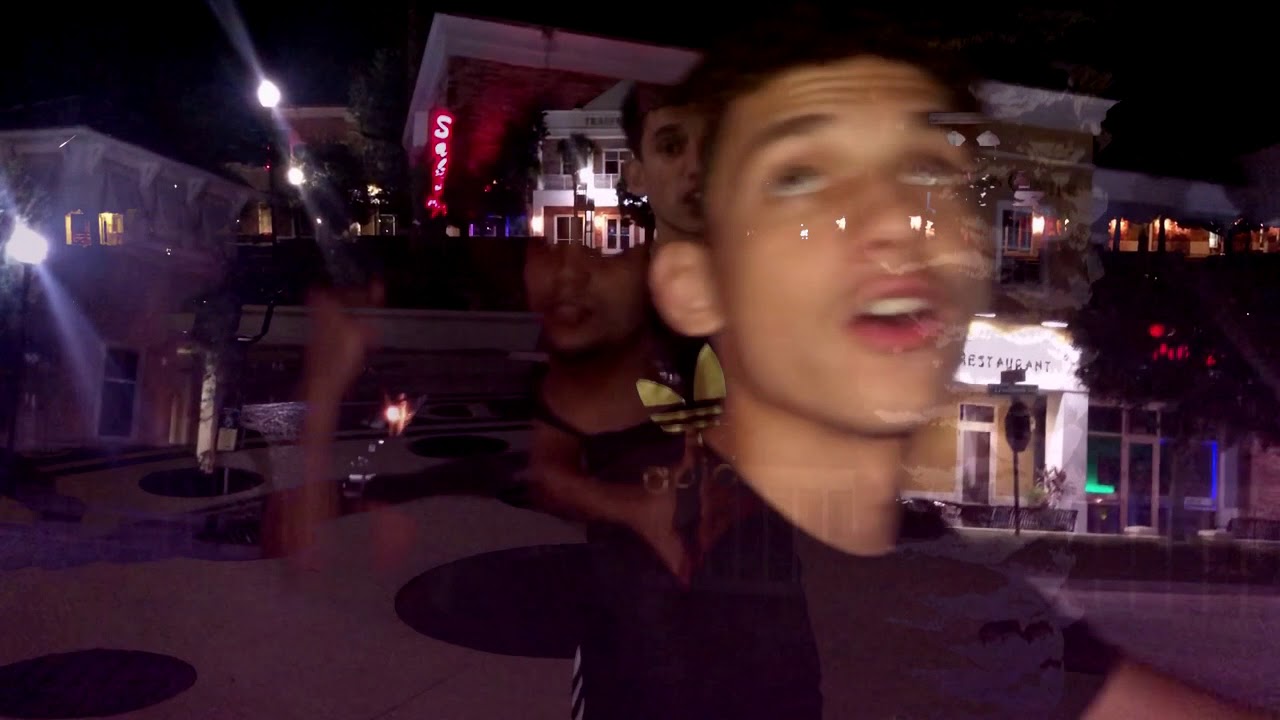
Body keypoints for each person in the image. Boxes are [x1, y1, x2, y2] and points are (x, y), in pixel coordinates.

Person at [645, 15, 1271, 719]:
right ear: (695, 284)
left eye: (928, 171)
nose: (896, 219)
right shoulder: (701, 612)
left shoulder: (959, 605)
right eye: (800, 176)